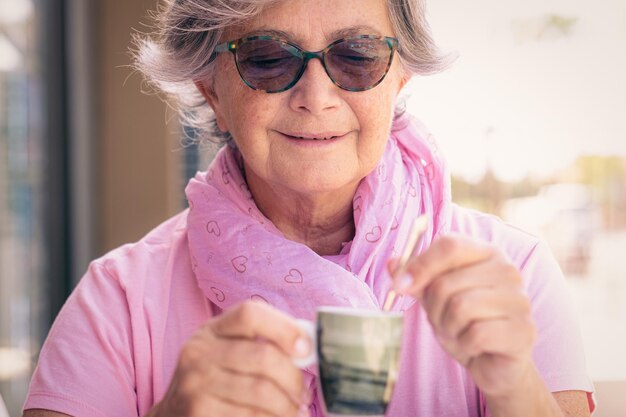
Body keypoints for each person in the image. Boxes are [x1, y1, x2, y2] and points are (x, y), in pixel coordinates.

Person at [23, 0, 595, 416]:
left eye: (357, 55)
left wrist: (515, 385)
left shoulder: (514, 276)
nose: (316, 96)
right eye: (268, 57)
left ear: (398, 79)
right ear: (212, 91)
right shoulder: (118, 301)